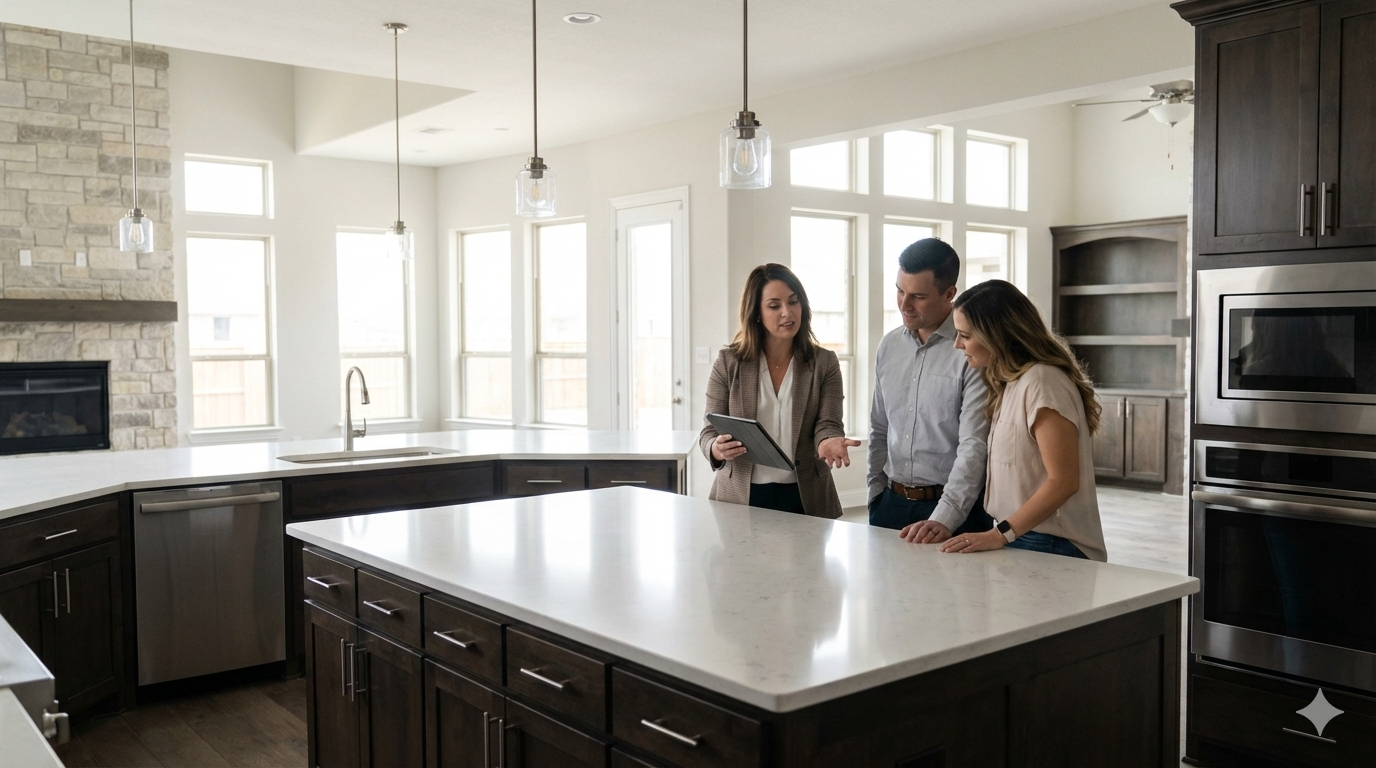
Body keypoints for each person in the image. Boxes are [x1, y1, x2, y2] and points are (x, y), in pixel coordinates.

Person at [936, 280, 1108, 561]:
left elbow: (1063, 481)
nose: (957, 345)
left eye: (965, 335)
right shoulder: (1011, 382)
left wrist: (998, 534)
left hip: (1053, 543)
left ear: (997, 335)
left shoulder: (1042, 381)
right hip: (1024, 536)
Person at [700, 263, 861, 517]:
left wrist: (828, 440)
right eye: (774, 306)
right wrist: (715, 448)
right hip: (740, 496)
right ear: (756, 313)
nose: (787, 312)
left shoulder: (824, 362)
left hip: (806, 495)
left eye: (793, 302)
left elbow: (828, 422)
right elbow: (710, 429)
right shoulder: (728, 362)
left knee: (808, 559)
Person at [870, 238, 991, 541]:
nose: (904, 304)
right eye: (899, 291)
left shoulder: (971, 350)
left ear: (950, 294)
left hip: (956, 513)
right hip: (889, 506)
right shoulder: (889, 346)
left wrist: (946, 516)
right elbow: (879, 429)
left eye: (918, 296)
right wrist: (875, 495)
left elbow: (974, 445)